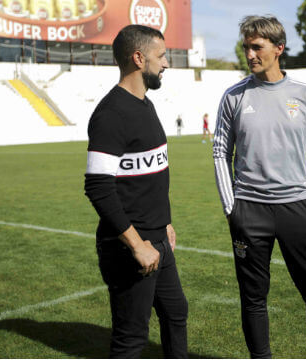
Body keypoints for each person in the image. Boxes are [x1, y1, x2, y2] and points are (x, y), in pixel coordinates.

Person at [213, 15, 306, 358]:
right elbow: (220, 150)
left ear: (278, 48)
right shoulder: (234, 97)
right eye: (246, 47)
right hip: (249, 211)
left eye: (257, 46)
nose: (250, 54)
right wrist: (231, 206)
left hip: (299, 208)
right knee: (253, 298)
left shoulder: (305, 95)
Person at [84, 24, 188, 359]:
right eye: (161, 56)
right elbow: (98, 187)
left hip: (158, 238)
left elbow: (154, 176)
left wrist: (166, 223)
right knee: (131, 339)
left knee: (176, 312)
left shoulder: (146, 104)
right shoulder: (111, 114)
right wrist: (137, 244)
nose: (166, 63)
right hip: (130, 246)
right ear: (138, 58)